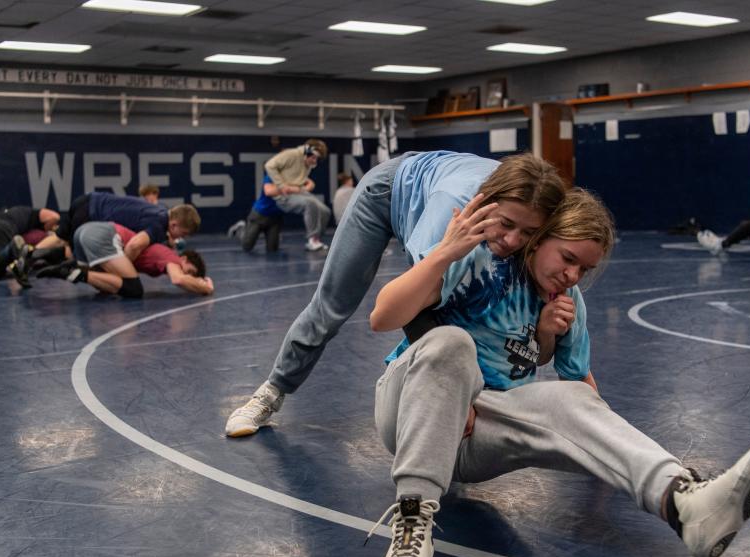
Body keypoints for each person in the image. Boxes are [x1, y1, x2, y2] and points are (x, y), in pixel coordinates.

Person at [365, 189, 750, 557]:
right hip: (409, 414)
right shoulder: (476, 260)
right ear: (539, 238)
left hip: (476, 442)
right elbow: (383, 316)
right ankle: (411, 522)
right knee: (450, 344)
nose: (572, 275)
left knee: (575, 398)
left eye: (583, 269)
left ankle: (684, 502)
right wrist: (443, 254)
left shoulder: (566, 302)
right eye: (567, 258)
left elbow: (581, 390)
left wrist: (606, 449)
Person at [224, 151, 568, 437]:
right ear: (486, 204)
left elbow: (565, 298)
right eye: (505, 225)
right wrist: (461, 396)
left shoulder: (537, 216)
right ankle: (270, 392)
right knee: (333, 305)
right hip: (387, 194)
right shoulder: (451, 208)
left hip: (443, 183)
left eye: (527, 233)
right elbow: (413, 309)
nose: (511, 241)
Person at [36, 222, 213, 297]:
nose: (186, 274)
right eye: (189, 270)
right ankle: (75, 272)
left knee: (109, 287)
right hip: (104, 235)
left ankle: (47, 257)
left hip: (86, 231)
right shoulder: (171, 258)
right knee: (134, 289)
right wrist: (205, 288)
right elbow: (178, 279)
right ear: (184, 258)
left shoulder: (162, 252)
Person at [34, 192, 200, 265]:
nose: (180, 238)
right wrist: (124, 268)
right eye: (183, 234)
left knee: (58, 238)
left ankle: (27, 254)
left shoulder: (161, 211)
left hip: (88, 200)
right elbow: (134, 245)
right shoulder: (158, 224)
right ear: (174, 225)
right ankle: (32, 258)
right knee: (75, 256)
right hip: (91, 215)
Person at [265, 139, 332, 252]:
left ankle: (316, 238)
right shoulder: (291, 154)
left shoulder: (308, 161)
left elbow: (295, 175)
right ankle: (312, 240)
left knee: (325, 211)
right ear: (307, 151)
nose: (314, 161)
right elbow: (269, 165)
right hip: (284, 196)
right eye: (313, 157)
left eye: (317, 158)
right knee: (310, 204)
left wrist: (304, 186)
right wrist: (281, 185)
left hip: (298, 192)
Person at [240, 174, 285, 253]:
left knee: (272, 249)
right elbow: (268, 192)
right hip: (259, 215)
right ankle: (240, 229)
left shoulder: (293, 179)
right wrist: (290, 189)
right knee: (247, 246)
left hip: (275, 218)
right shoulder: (271, 176)